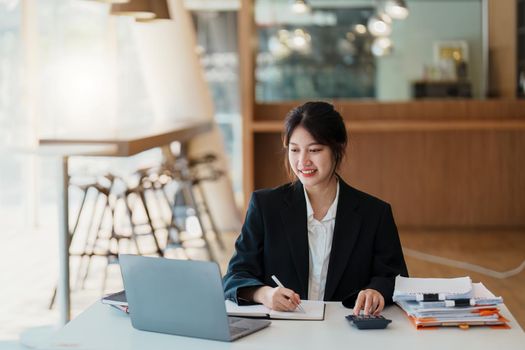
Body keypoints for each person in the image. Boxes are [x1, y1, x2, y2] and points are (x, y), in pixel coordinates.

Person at [223, 101, 408, 315]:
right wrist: (263, 294)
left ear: (337, 149)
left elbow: (395, 279)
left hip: (348, 332)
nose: (303, 161)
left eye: (314, 150)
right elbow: (235, 275)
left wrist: (375, 291)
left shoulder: (374, 214)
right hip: (282, 331)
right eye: (294, 150)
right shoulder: (265, 206)